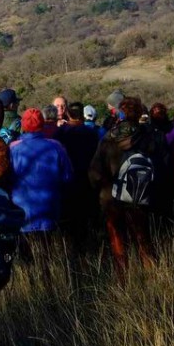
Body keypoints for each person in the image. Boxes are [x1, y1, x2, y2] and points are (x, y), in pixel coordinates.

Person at [89, 97, 173, 277]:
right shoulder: (149, 138)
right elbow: (161, 168)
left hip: (111, 198)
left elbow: (94, 173)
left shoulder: (108, 138)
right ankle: (153, 279)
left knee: (118, 243)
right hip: (140, 196)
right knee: (144, 241)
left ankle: (123, 281)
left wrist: (100, 189)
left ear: (120, 113)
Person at [8, 108, 73, 261]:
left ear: (23, 125)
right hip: (49, 209)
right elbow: (68, 177)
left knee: (26, 257)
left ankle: (31, 281)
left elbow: (7, 179)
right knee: (47, 254)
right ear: (42, 125)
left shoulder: (13, 149)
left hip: (21, 211)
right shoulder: (56, 147)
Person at [56, 102, 102, 250]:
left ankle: (71, 247)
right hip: (87, 178)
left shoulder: (61, 133)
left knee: (70, 217)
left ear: (68, 114)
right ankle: (87, 246)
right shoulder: (91, 133)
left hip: (68, 180)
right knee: (85, 215)